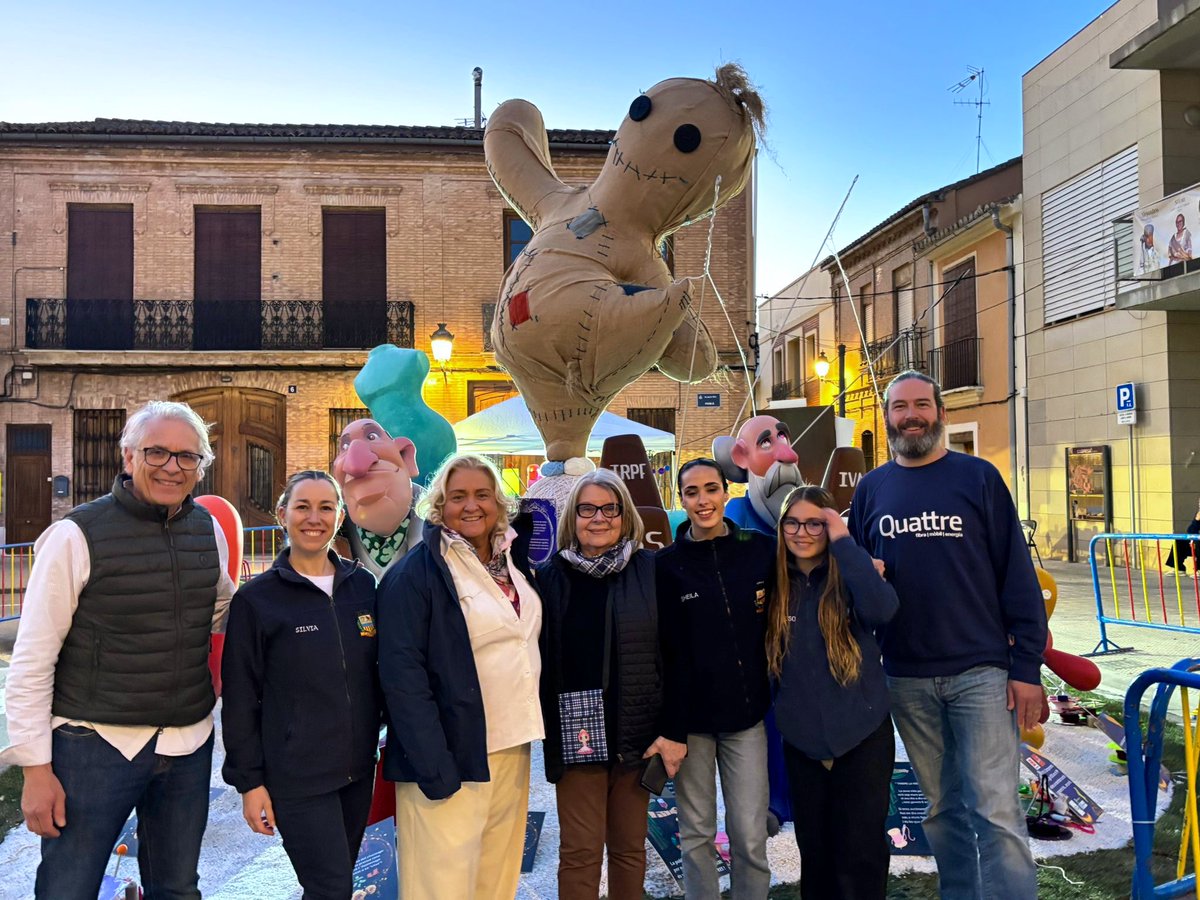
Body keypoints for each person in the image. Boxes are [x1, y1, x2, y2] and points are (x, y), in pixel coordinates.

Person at [0, 400, 238, 899]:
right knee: (69, 888)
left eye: (187, 457)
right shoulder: (74, 535)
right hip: (92, 746)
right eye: (157, 452)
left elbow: (220, 612)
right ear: (128, 457)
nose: (172, 467)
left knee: (177, 889)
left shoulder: (207, 530)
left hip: (188, 744)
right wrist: (36, 772)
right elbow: (32, 660)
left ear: (200, 466)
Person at [848, 371, 1047, 900]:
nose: (911, 415)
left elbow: (1017, 578)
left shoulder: (978, 477)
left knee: (996, 807)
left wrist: (1027, 668)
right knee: (941, 811)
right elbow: (855, 583)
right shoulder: (871, 490)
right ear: (886, 417)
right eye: (899, 407)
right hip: (906, 678)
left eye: (921, 405)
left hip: (981, 673)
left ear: (939, 412)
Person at [377, 453, 542, 900]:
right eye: (458, 497)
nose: (471, 506)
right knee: (441, 886)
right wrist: (433, 763)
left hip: (511, 746)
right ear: (439, 506)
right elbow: (401, 676)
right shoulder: (417, 573)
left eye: (482, 494)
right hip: (449, 752)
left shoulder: (514, 562)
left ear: (498, 503)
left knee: (496, 880)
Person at [221, 470, 382, 899]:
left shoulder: (363, 586)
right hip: (297, 778)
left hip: (358, 771)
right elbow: (239, 699)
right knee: (330, 888)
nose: (315, 518)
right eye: (303, 506)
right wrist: (250, 784)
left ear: (340, 515)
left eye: (326, 507)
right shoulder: (257, 602)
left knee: (335, 885)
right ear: (282, 514)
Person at [536, 468, 684, 900]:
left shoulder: (651, 572)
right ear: (572, 517)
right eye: (587, 509)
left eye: (609, 508)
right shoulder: (549, 579)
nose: (598, 518)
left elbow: (677, 659)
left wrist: (674, 731)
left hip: (637, 736)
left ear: (625, 514)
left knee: (628, 850)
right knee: (580, 853)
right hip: (577, 738)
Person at [767, 485, 898, 900]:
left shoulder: (851, 576)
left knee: (861, 854)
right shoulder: (772, 583)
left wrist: (845, 543)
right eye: (793, 522)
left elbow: (883, 610)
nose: (802, 532)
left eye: (815, 523)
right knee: (817, 853)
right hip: (803, 743)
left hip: (861, 735)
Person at [656, 458, 774, 900]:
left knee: (748, 832)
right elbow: (663, 650)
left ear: (726, 492)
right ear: (681, 499)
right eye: (692, 492)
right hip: (691, 724)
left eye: (711, 489)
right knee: (697, 834)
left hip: (747, 719)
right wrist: (669, 726)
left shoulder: (758, 549)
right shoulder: (665, 565)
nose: (702, 500)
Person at [1166, 495, 1200, 574]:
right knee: (1179, 541)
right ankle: (1178, 568)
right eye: (1199, 503)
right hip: (1196, 543)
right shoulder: (1198, 515)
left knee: (1199, 543)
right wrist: (1196, 521)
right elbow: (1190, 531)